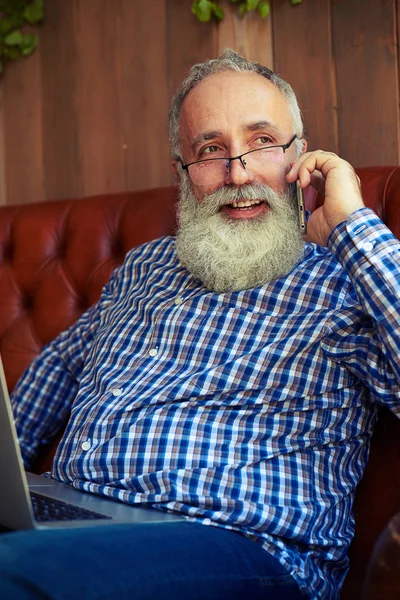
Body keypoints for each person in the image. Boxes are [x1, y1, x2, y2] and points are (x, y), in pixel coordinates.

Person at [0, 48, 399, 600]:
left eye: (262, 142)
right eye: (211, 150)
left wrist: (353, 224)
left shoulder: (345, 281)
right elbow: (63, 362)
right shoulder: (144, 266)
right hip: (79, 518)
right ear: (183, 173)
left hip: (241, 547)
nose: (238, 172)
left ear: (300, 156)